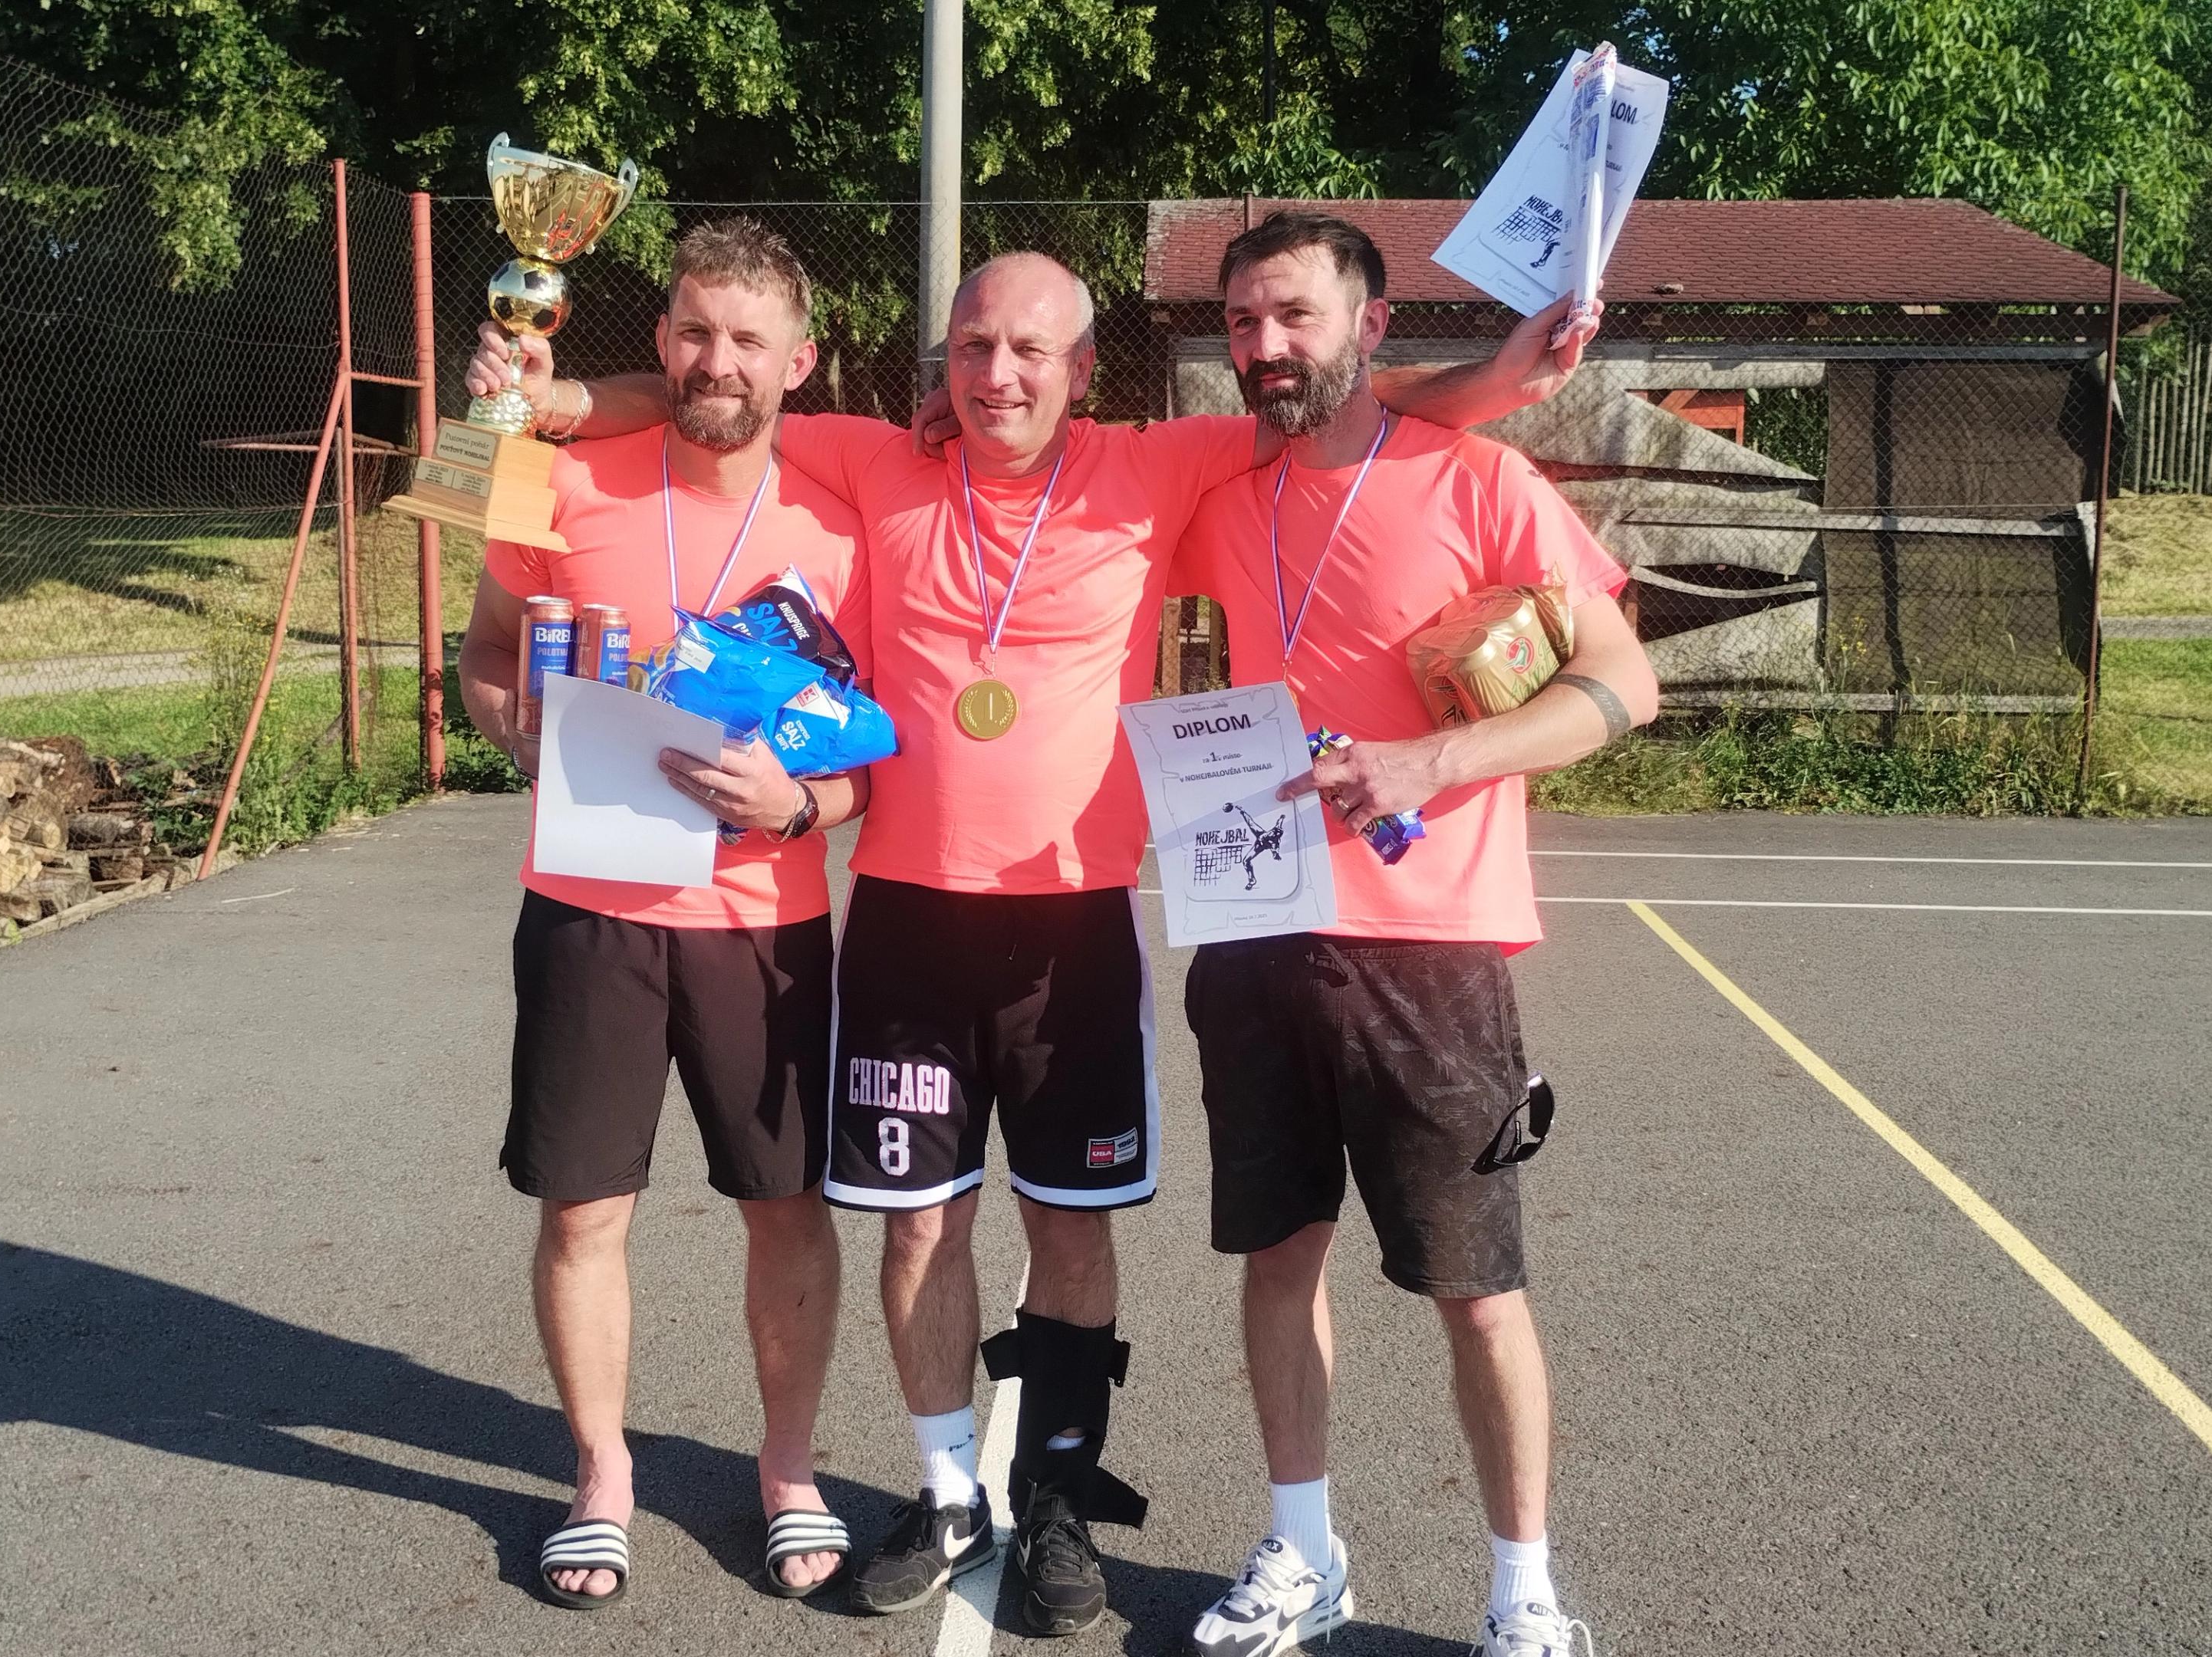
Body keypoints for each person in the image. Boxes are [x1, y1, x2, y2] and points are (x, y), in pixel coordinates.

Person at [469, 248, 1595, 1636]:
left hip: (1076, 923)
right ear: (940, 357)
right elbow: (711, 390)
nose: (995, 375)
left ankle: (1055, 1492)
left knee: (1069, 1224)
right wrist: (551, 395)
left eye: (1028, 351)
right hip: (906, 915)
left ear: (1083, 370)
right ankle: (948, 1489)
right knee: (918, 1223)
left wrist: (1489, 377)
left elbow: (1322, 387)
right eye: (972, 347)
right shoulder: (870, 457)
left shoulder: (1161, 465)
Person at [1169, 211, 1657, 1657]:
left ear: (1371, 324)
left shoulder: (1482, 479)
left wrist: (1433, 762)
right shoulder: (1213, 488)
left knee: (1477, 1291)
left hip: (1432, 951)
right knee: (1277, 1260)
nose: (1265, 345)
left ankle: (1525, 1590)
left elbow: (1624, 684)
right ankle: (1304, 1550)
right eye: (1244, 321)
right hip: (1254, 931)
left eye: (1295, 316)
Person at [454, 218, 873, 1610]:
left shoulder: (841, 517)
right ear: (661, 340)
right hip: (588, 909)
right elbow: (486, 656)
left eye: (750, 338)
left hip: (763, 921)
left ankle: (790, 1469)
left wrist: (803, 804)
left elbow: (877, 751)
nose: (718, 360)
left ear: (798, 360)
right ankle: (601, 1475)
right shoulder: (557, 476)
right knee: (584, 1209)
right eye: (695, 330)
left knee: (787, 1207)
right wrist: (519, 731)